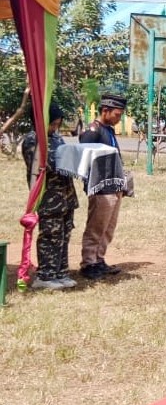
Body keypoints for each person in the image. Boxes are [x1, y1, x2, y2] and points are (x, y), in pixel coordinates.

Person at [21, 103, 78, 290]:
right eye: (52, 124)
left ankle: (61, 272)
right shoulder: (32, 140)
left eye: (57, 124)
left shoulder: (56, 138)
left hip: (66, 195)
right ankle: (45, 276)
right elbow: (45, 165)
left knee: (64, 234)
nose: (55, 128)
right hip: (49, 197)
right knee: (50, 235)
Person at [78, 93, 127, 279]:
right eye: (117, 114)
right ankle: (88, 263)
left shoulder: (109, 130)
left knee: (108, 228)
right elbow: (85, 159)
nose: (119, 119)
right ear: (105, 110)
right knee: (96, 227)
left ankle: (99, 259)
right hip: (100, 188)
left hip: (114, 186)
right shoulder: (93, 131)